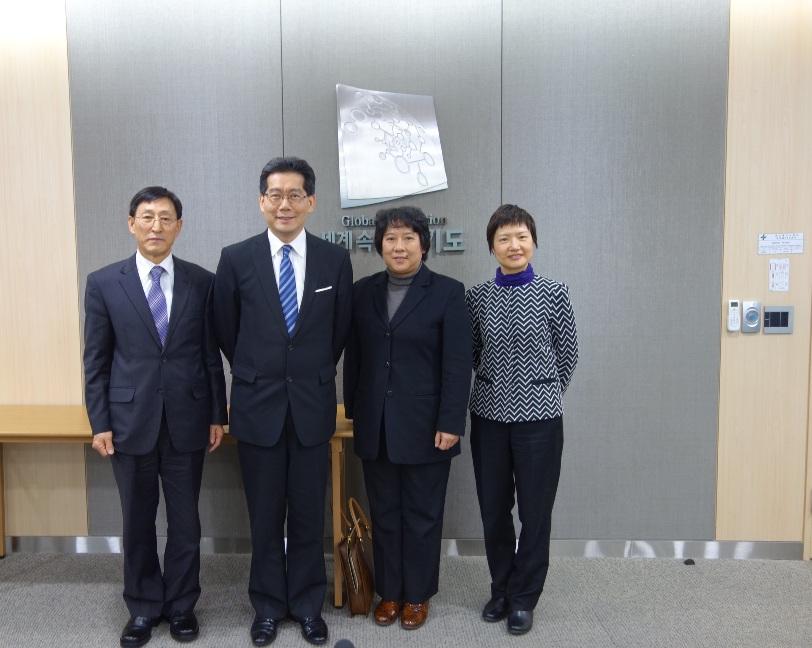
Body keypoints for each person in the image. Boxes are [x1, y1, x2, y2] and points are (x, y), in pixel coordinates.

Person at [213, 157, 353, 647]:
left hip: (312, 407)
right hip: (258, 407)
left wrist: (304, 374)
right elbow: (226, 331)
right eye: (275, 194)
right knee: (266, 515)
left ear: (311, 202)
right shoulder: (236, 258)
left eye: (295, 195)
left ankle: (309, 605)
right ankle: (269, 607)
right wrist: (260, 372)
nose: (285, 204)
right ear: (261, 202)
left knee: (311, 513)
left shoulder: (334, 260)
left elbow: (338, 334)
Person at [83, 186, 227, 647]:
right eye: (147, 217)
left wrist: (217, 415)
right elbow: (96, 361)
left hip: (188, 419)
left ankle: (182, 606)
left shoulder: (201, 282)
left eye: (166, 218)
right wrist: (99, 422)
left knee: (186, 522)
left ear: (179, 227)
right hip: (129, 422)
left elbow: (210, 356)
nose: (156, 227)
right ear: (131, 223)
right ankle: (143, 607)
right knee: (137, 520)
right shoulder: (105, 282)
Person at [343, 206, 470, 630]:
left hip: (427, 425)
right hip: (376, 425)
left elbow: (457, 364)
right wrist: (356, 416)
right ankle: (390, 593)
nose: (399, 247)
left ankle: (417, 596)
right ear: (380, 244)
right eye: (391, 239)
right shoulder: (363, 292)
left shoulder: (448, 292)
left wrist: (451, 422)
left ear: (423, 244)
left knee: (422, 514)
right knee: (385, 513)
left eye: (408, 238)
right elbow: (355, 360)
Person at [466, 204, 579, 636]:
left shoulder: (555, 292)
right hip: (490, 416)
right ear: (491, 246)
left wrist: (539, 390)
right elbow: (474, 354)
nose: (514, 245)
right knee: (494, 510)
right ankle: (500, 588)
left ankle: (524, 598)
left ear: (533, 241)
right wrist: (502, 386)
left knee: (535, 512)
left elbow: (567, 356)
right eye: (504, 238)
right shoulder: (476, 297)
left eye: (521, 237)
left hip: (540, 420)